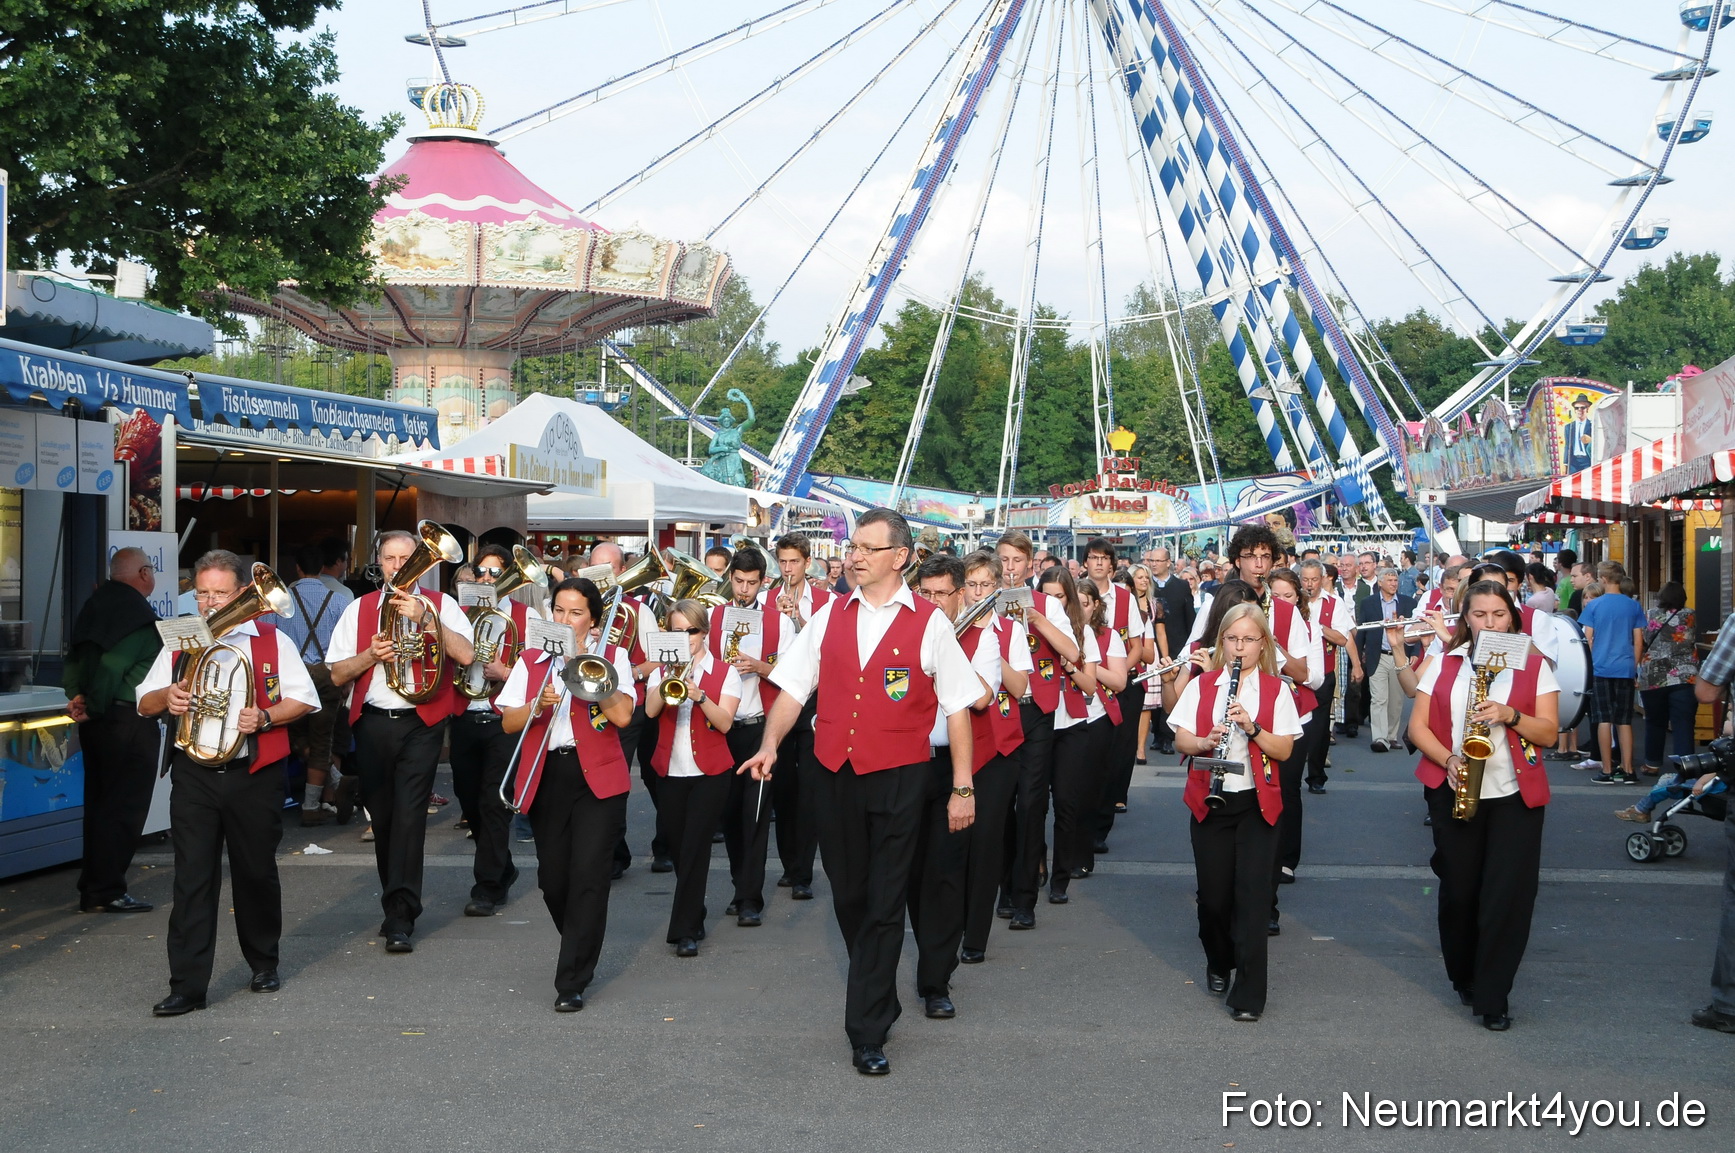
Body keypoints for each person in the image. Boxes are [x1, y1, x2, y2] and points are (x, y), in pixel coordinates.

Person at [740, 508, 981, 1076]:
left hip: (901, 776)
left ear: (900, 558)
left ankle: (867, 1028)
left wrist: (962, 788)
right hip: (834, 773)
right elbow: (794, 688)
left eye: (869, 549)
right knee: (849, 895)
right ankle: (881, 992)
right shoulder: (826, 616)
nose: (855, 556)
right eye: (854, 547)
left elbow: (960, 709)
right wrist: (771, 743)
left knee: (884, 902)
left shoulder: (930, 622)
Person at [136, 550, 319, 1014]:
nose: (210, 602)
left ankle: (263, 962)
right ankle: (187, 986)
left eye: (220, 593)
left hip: (252, 773)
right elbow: (143, 701)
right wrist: (168, 696)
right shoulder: (180, 639)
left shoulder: (270, 639)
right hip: (194, 771)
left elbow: (304, 699)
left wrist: (265, 716)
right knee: (192, 879)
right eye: (202, 593)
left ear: (241, 593)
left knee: (255, 871)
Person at [1407, 580, 1559, 1030]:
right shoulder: (1443, 663)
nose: (1489, 623)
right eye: (1479, 615)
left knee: (1508, 897)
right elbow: (1418, 729)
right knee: (1461, 892)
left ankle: (1495, 996)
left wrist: (1509, 714)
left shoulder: (1534, 666)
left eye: (1498, 614)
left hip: (1515, 793)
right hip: (1455, 787)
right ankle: (1465, 974)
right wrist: (1450, 760)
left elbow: (1549, 733)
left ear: (1511, 616)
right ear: (1464, 620)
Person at [326, 529, 476, 953]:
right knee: (385, 817)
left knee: (410, 815)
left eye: (407, 558)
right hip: (372, 722)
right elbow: (337, 674)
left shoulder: (443, 605)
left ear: (424, 563)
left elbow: (466, 656)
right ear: (380, 563)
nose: (398, 567)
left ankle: (401, 915)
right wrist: (371, 656)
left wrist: (426, 619)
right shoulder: (359, 609)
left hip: (422, 721)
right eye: (390, 559)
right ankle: (395, 901)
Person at [497, 577, 635, 1011]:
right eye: (559, 611)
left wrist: (584, 668)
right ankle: (580, 939)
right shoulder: (531, 659)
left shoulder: (611, 657)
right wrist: (537, 704)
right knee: (553, 880)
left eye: (576, 613)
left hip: (598, 779)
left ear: (592, 618)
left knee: (589, 877)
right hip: (547, 774)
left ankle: (571, 980)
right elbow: (507, 723)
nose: (565, 619)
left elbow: (624, 716)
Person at [1171, 603, 1300, 1023]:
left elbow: (1283, 750)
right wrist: (1206, 740)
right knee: (1213, 899)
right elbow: (1181, 742)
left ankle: (1248, 995)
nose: (1239, 646)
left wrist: (1253, 728)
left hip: (1257, 804)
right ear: (1221, 641)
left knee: (1253, 899)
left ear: (1263, 644)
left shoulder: (1277, 690)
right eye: (1232, 639)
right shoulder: (1203, 685)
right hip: (1211, 800)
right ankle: (1218, 958)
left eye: (1248, 639)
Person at [906, 554, 997, 1017]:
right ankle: (925, 957)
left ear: (961, 594)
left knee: (943, 874)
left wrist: (949, 648)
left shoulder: (983, 636)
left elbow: (982, 697)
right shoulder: (906, 629)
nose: (934, 602)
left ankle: (936, 980)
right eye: (926, 593)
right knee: (907, 874)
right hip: (904, 762)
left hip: (951, 766)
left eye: (943, 593)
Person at [63, 546, 163, 914]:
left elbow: (75, 656)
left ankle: (93, 885)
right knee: (124, 809)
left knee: (100, 804)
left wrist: (75, 694)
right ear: (142, 574)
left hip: (99, 720)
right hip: (126, 719)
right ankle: (106, 890)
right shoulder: (136, 614)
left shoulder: (95, 604)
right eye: (151, 570)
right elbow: (112, 666)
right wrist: (96, 707)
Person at [995, 531, 1085, 931]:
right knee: (1001, 803)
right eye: (1003, 560)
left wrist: (1036, 618)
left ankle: (1025, 895)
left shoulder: (1047, 602)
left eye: (1016, 560)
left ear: (1031, 564)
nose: (1009, 568)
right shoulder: (983, 598)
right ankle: (1004, 886)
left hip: (1037, 710)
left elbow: (1073, 652)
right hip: (998, 709)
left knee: (1032, 803)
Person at [644, 601, 743, 957]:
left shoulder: (725, 673)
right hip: (670, 771)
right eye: (677, 632)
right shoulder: (662, 670)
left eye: (691, 631)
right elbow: (651, 711)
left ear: (704, 633)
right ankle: (695, 912)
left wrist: (699, 695)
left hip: (710, 774)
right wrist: (668, 676)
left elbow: (726, 723)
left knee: (696, 847)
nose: (685, 638)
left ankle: (684, 931)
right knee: (679, 847)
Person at [450, 542, 542, 916]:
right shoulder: (459, 613)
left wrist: (505, 672)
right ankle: (502, 868)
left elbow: (540, 666)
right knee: (469, 800)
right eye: (482, 572)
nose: (488, 578)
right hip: (465, 716)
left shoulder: (527, 615)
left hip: (504, 720)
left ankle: (487, 887)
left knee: (493, 803)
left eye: (495, 572)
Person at [956, 551, 1027, 965]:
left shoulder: (1009, 630)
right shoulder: (947, 626)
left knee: (986, 843)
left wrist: (990, 648)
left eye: (986, 586)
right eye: (972, 586)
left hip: (999, 747)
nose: (978, 593)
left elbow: (1017, 688)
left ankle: (975, 937)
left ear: (998, 588)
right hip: (959, 742)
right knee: (956, 842)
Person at [759, 531, 835, 899]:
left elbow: (825, 650)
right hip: (776, 700)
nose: (788, 569)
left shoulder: (826, 601)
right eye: (783, 562)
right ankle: (790, 864)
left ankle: (802, 872)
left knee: (808, 791)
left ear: (808, 563)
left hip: (812, 704)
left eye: (794, 562)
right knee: (783, 790)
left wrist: (800, 619)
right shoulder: (763, 600)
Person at [591, 540, 668, 877]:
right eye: (593, 569)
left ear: (621, 571)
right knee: (605, 780)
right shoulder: (575, 606)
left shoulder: (639, 610)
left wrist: (634, 671)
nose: (599, 577)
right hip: (591, 704)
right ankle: (614, 853)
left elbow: (659, 655)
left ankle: (665, 846)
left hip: (632, 703)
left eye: (607, 570)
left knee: (654, 777)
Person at [272, 544, 355, 827]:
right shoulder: (338, 601)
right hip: (326, 674)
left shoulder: (280, 601)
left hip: (290, 674)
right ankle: (316, 799)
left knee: (292, 736)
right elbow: (348, 645)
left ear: (296, 568)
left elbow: (268, 636)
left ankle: (315, 800)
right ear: (322, 569)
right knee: (322, 737)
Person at [714, 548, 775, 925]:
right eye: (739, 582)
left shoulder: (778, 621)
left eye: (752, 583)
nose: (744, 590)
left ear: (762, 582)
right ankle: (741, 888)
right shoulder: (712, 615)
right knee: (731, 817)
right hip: (721, 728)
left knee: (755, 816)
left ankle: (751, 898)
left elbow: (791, 675)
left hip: (757, 727)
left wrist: (759, 666)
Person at [1082, 538, 1151, 850]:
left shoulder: (1125, 598)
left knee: (1117, 756)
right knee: (1088, 756)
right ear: (1085, 562)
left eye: (1103, 558)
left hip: (1122, 685)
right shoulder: (1075, 594)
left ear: (1112, 563)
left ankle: (1101, 825)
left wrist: (1119, 673)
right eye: (1093, 557)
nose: (1098, 563)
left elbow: (1137, 645)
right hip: (1084, 682)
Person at [1068, 576, 1126, 880]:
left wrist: (1087, 663)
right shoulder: (1057, 632)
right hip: (1063, 718)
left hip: (1096, 717)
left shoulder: (1107, 636)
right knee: (1066, 793)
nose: (1079, 610)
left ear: (1095, 606)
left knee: (1089, 790)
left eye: (1085, 604)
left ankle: (1082, 853)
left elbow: (1119, 681)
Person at [1579, 571, 1648, 784]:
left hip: (1601, 667)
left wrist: (1592, 661)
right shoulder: (1633, 605)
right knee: (1624, 721)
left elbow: (1587, 638)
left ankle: (1607, 770)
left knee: (1603, 719)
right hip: (1625, 667)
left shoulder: (1594, 605)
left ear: (1604, 579)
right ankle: (1628, 769)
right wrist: (1633, 667)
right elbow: (1638, 641)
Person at [1299, 558, 1358, 793]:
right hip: (1295, 672)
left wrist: (1317, 627)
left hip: (1323, 672)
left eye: (1314, 579)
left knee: (1320, 727)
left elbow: (1343, 638)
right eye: (1305, 579)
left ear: (1322, 579)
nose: (1309, 584)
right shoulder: (1291, 602)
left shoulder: (1334, 603)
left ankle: (1316, 777)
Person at [1638, 582, 1698, 777]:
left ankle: (1652, 763)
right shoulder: (1689, 614)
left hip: (1654, 675)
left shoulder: (1651, 614)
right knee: (1684, 722)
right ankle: (1686, 766)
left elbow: (1646, 638)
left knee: (1655, 721)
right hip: (1684, 674)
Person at [1356, 567, 1418, 753]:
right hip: (1378, 656)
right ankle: (1380, 738)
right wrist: (1357, 660)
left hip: (1400, 656)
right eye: (1389, 580)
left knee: (1396, 700)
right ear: (1380, 582)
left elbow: (1415, 629)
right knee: (1378, 699)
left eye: (1395, 580)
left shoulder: (1408, 603)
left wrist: (1414, 651)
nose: (1393, 584)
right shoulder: (1368, 603)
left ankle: (1391, 736)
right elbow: (1362, 631)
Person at [1339, 552, 1380, 738]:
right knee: (1340, 679)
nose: (1345, 569)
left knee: (1356, 680)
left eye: (1348, 565)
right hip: (1339, 637)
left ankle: (1353, 721)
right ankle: (1341, 717)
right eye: (1342, 565)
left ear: (1356, 569)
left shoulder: (1366, 589)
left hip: (1358, 637)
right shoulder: (1334, 587)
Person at [1614, 770, 1726, 823]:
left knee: (1666, 782)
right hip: (1716, 786)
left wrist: (1700, 782)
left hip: (1712, 788)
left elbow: (1718, 769)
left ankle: (1641, 810)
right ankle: (1641, 809)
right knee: (1666, 779)